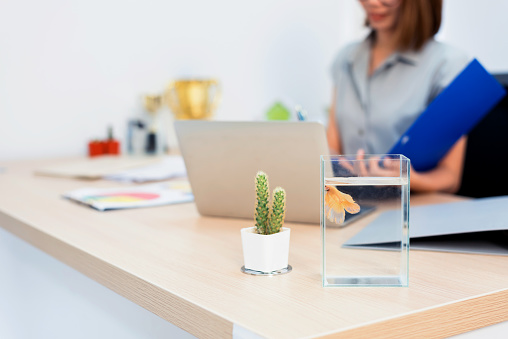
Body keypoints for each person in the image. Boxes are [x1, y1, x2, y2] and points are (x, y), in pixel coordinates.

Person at [327, 0, 470, 193]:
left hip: (415, 210)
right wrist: (333, 164)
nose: (372, 3)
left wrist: (406, 178)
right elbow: (331, 149)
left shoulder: (449, 65)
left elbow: (450, 177)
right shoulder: (346, 59)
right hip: (351, 204)